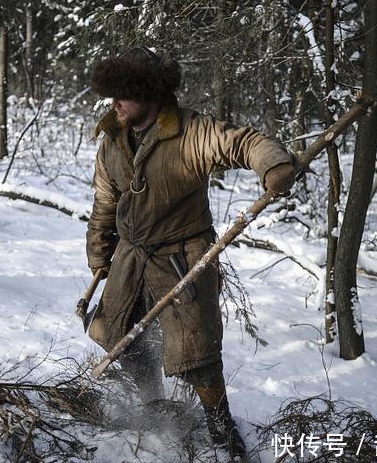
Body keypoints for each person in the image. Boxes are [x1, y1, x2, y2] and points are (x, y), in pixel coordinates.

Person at [84, 46, 295, 461]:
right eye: (113, 94)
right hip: (130, 254)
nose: (115, 104)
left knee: (195, 350)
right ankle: (151, 399)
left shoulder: (191, 132)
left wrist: (272, 164)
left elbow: (246, 142)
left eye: (123, 94)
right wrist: (100, 252)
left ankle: (220, 423)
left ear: (150, 93)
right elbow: (105, 200)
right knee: (118, 333)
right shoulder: (112, 137)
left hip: (182, 255)